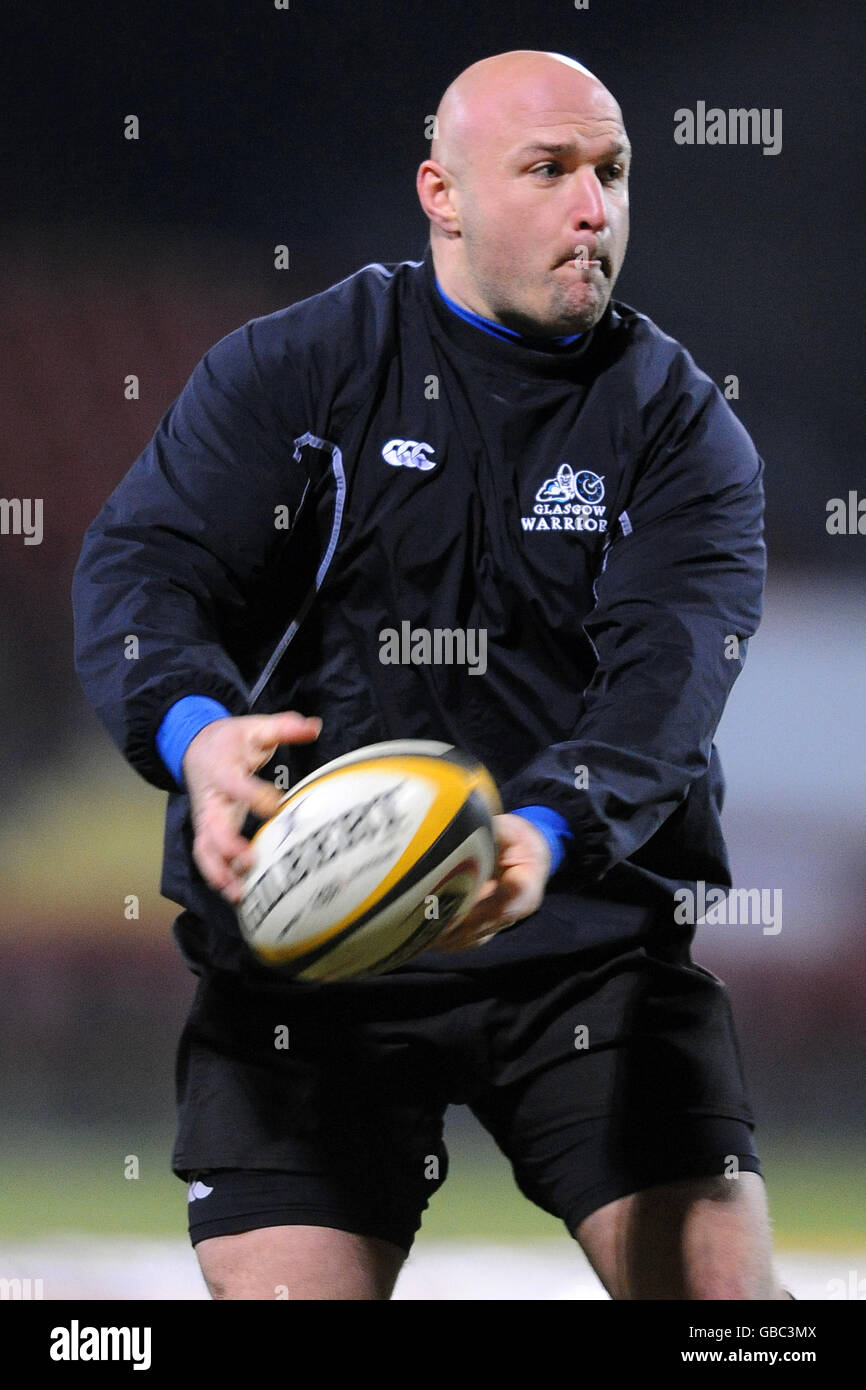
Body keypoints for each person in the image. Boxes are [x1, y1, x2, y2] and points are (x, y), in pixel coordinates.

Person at [73, 49, 793, 1300]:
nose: (593, 209)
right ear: (440, 193)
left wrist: (544, 831)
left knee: (726, 1317)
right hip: (309, 938)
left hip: (582, 944)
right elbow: (146, 571)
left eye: (612, 172)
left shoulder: (679, 426)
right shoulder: (299, 368)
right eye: (548, 170)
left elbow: (666, 681)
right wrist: (193, 729)